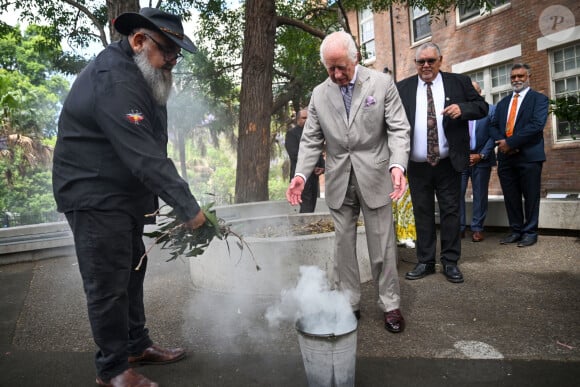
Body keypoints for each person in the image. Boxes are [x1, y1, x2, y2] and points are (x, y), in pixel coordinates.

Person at [52, 8, 206, 387]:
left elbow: (152, 145)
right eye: (168, 50)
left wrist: (154, 201)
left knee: (133, 268)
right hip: (93, 191)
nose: (172, 60)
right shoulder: (115, 80)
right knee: (107, 281)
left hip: (120, 192)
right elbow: (143, 154)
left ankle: (136, 345)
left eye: (176, 54)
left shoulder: (142, 75)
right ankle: (113, 369)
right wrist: (188, 207)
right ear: (139, 41)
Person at [286, 31, 411, 333]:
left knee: (382, 247)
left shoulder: (381, 84)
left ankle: (390, 304)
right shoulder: (319, 94)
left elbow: (398, 128)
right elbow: (311, 139)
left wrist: (397, 165)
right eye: (331, 68)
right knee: (343, 248)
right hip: (339, 179)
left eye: (342, 66)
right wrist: (301, 175)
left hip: (376, 174)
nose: (337, 74)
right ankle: (349, 303)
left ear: (355, 58)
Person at [396, 42, 488, 284]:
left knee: (450, 212)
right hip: (417, 165)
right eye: (420, 61)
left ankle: (450, 262)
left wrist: (463, 108)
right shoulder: (402, 88)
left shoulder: (459, 82)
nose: (426, 65)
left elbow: (483, 107)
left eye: (431, 61)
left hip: (448, 162)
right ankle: (425, 261)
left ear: (440, 60)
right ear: (415, 63)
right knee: (422, 213)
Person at [489, 63, 549, 248]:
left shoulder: (539, 99)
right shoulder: (503, 103)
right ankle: (515, 231)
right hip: (506, 158)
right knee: (511, 196)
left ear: (528, 77)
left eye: (520, 76)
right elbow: (493, 125)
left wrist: (511, 143)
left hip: (529, 157)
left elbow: (536, 125)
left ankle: (530, 232)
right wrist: (503, 143)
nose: (516, 79)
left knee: (531, 196)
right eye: (513, 76)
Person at [384, 67, 417, 249]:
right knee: (388, 203)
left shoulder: (401, 109)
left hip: (402, 163)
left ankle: (406, 235)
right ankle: (392, 236)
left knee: (404, 200)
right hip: (382, 163)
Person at [460, 81, 497, 242]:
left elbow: (494, 134)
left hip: (481, 159)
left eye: (474, 91)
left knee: (480, 195)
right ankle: (460, 227)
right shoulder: (460, 111)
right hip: (461, 159)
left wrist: (481, 155)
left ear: (480, 92)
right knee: (456, 194)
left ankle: (477, 228)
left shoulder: (491, 110)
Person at [285, 108, 325, 213]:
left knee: (312, 203)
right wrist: (311, 167)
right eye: (304, 118)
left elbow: (318, 152)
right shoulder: (292, 134)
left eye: (309, 118)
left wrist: (322, 167)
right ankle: (304, 227)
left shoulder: (314, 134)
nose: (307, 120)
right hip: (300, 175)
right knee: (306, 204)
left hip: (314, 176)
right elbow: (294, 155)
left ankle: (309, 226)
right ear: (298, 120)